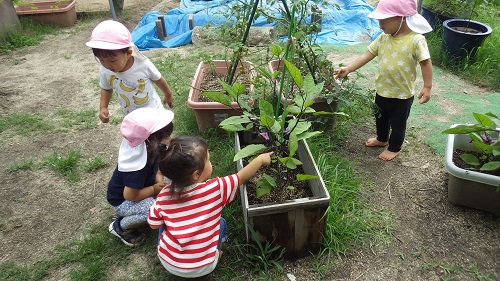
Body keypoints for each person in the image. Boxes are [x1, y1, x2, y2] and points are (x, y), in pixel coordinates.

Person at [148, 136, 273, 278]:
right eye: (208, 160)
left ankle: (177, 253)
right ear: (196, 174)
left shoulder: (163, 196)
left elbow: (153, 224)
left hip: (169, 263)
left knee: (161, 223)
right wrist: (260, 160)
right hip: (205, 267)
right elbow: (241, 177)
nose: (210, 162)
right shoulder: (216, 189)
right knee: (221, 223)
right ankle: (217, 253)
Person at [334, 0, 433, 161]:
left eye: (383, 20)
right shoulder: (383, 38)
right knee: (380, 118)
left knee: (398, 125)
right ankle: (382, 139)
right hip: (382, 91)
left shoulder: (416, 40)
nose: (380, 25)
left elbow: (425, 62)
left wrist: (427, 86)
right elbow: (367, 55)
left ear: (400, 17)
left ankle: (394, 148)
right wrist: (349, 68)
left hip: (402, 96)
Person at [107, 107, 174, 246]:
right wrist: (155, 190)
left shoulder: (151, 148)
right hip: (123, 201)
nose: (170, 139)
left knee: (172, 178)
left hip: (142, 188)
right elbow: (130, 195)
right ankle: (121, 226)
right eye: (166, 136)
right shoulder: (137, 167)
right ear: (152, 142)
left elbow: (158, 169)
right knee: (154, 209)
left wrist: (160, 180)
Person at [85, 20, 174, 123]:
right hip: (131, 117)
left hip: (154, 112)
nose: (107, 65)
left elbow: (158, 79)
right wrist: (103, 107)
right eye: (101, 60)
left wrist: (168, 95)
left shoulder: (143, 65)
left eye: (112, 60)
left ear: (128, 53)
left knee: (159, 137)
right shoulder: (105, 70)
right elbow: (106, 89)